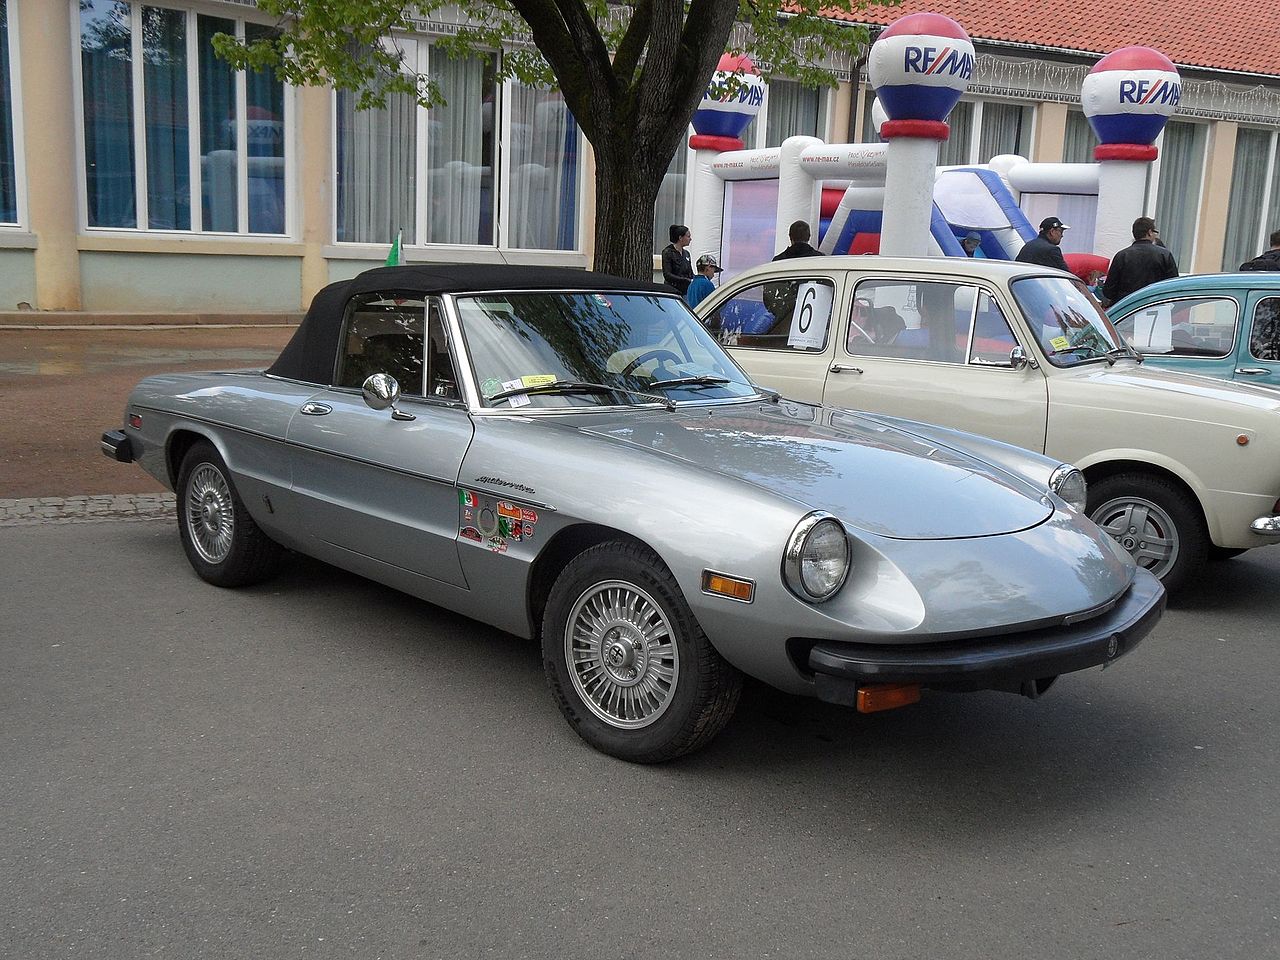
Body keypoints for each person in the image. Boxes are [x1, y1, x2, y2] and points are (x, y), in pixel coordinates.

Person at [1102, 216, 1179, 305]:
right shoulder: (1165, 255)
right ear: (1149, 232)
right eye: (1155, 232)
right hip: (1156, 307)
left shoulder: (1121, 256)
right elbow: (1173, 286)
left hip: (1126, 309)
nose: (1155, 235)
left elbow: (1108, 291)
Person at [661, 224, 694, 295]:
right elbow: (667, 274)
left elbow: (690, 273)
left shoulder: (687, 254)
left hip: (685, 291)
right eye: (688, 236)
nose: (690, 239)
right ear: (680, 238)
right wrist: (685, 280)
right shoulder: (668, 252)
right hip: (672, 291)